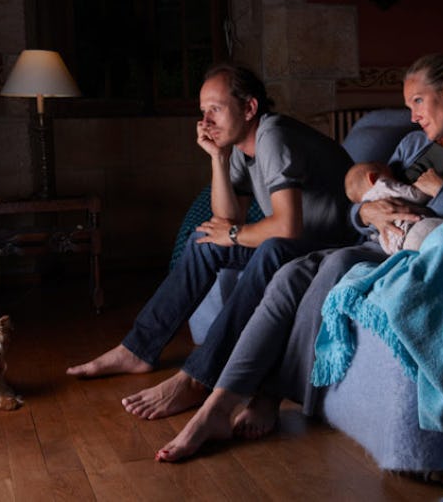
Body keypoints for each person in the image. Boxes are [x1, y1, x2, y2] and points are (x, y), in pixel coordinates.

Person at [155, 52, 443, 462]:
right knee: (288, 275)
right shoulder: (411, 146)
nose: (412, 117)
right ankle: (217, 406)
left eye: (417, 102)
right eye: (409, 107)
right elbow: (362, 207)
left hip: (424, 254)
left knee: (331, 266)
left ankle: (271, 391)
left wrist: (442, 192)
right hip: (372, 243)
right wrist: (367, 211)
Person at [66, 63, 356, 421]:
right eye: (202, 112)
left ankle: (200, 377)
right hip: (298, 242)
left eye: (215, 109)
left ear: (249, 108)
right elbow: (227, 219)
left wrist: (233, 234)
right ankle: (138, 349)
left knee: (269, 247)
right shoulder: (240, 147)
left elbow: (289, 227)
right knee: (204, 241)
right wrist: (218, 159)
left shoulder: (272, 135)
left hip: (334, 246)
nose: (206, 121)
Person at [344, 161, 443, 253]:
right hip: (415, 229)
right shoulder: (382, 185)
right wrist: (426, 189)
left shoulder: (369, 203)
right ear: (373, 177)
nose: (395, 180)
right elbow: (415, 196)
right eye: (391, 176)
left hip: (400, 247)